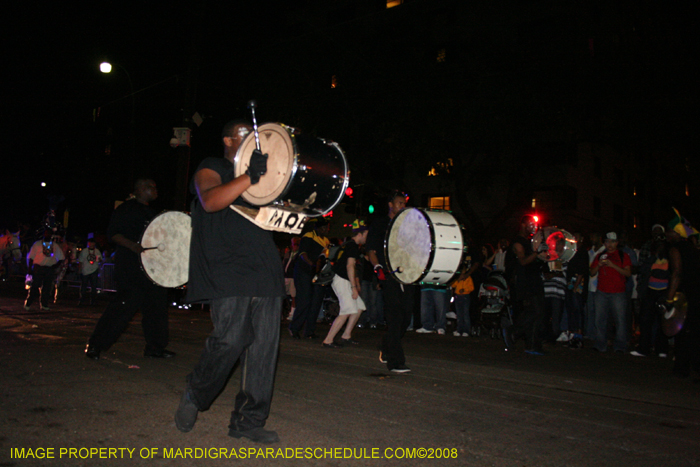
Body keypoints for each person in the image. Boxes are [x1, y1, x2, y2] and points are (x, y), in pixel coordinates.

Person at [174, 119, 285, 444]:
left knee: (263, 350)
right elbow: (210, 200)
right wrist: (248, 175)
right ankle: (196, 392)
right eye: (246, 135)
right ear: (227, 139)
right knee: (231, 339)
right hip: (228, 267)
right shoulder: (215, 166)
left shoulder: (264, 173)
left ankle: (249, 421)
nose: (254, 140)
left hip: (264, 266)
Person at [84, 179, 173, 360]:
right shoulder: (125, 209)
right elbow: (114, 234)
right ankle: (95, 345)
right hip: (131, 268)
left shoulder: (154, 213)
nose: (155, 190)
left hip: (152, 269)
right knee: (122, 308)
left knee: (156, 308)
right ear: (139, 190)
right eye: (151, 187)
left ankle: (155, 347)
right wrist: (133, 246)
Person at [367, 190, 414, 373]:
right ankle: (395, 361)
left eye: (404, 203)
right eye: (399, 203)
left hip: (407, 275)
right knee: (394, 318)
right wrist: (377, 268)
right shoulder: (380, 224)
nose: (403, 206)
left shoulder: (407, 226)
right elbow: (371, 250)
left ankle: (386, 345)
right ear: (391, 204)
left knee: (406, 317)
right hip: (388, 274)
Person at [503, 215, 547, 355]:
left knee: (538, 312)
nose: (532, 227)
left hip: (533, 279)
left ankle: (532, 344)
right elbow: (523, 261)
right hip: (525, 281)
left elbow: (538, 259)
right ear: (522, 224)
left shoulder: (528, 242)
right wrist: (537, 252)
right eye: (530, 224)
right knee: (536, 311)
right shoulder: (518, 242)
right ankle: (513, 331)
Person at [664, 209, 700, 378]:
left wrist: (669, 298)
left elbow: (677, 273)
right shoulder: (693, 248)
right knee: (694, 331)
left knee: (682, 331)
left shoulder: (675, 250)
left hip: (685, 295)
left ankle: (681, 368)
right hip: (696, 292)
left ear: (674, 233)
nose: (666, 234)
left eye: (668, 231)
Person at [321, 219, 369, 348]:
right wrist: (354, 287)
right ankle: (328, 340)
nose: (366, 238)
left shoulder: (348, 245)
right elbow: (350, 267)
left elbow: (352, 268)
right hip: (341, 280)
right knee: (346, 310)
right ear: (360, 234)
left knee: (359, 307)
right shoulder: (352, 246)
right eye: (366, 235)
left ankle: (346, 335)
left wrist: (355, 284)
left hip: (344, 280)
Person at [589, 232, 632, 353]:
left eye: (613, 242)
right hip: (602, 292)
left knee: (620, 320)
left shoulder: (623, 255)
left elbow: (628, 273)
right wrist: (599, 265)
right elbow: (592, 272)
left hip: (618, 292)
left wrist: (613, 265)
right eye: (607, 242)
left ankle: (620, 346)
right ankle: (600, 344)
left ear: (617, 243)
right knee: (599, 319)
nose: (610, 245)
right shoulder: (600, 255)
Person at [631, 225, 669, 357]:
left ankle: (662, 349)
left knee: (662, 321)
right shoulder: (651, 256)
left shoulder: (670, 256)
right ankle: (644, 348)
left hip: (664, 292)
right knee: (645, 320)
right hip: (650, 290)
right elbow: (643, 269)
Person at [289, 218, 330, 339]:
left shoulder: (326, 241)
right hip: (304, 271)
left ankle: (309, 331)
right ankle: (294, 327)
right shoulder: (309, 236)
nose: (326, 230)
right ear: (317, 228)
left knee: (316, 302)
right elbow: (302, 254)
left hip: (317, 274)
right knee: (305, 300)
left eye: (327, 228)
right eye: (324, 228)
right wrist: (312, 264)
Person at [24, 229, 65, 311]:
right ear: (44, 234)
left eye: (49, 234)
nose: (48, 235)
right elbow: (31, 257)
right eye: (46, 233)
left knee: (47, 288)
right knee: (35, 287)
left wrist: (55, 266)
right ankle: (28, 303)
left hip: (49, 269)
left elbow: (62, 257)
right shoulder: (37, 244)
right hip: (38, 268)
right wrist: (30, 269)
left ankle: (44, 304)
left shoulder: (54, 245)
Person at [78, 234, 102, 306]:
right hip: (85, 271)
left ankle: (93, 301)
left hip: (94, 270)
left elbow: (99, 260)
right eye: (90, 243)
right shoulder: (84, 251)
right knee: (84, 286)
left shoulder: (97, 251)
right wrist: (80, 269)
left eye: (92, 243)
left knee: (94, 286)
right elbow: (80, 261)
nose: (91, 244)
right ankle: (82, 301)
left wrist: (100, 259)